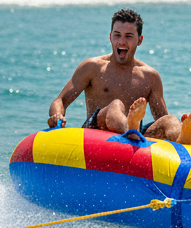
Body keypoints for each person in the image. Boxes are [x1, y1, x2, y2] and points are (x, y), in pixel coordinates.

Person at [47, 8, 181, 141]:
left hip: (135, 138)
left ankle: (183, 139)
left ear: (139, 41)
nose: (121, 41)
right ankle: (130, 128)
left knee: (171, 121)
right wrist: (57, 116)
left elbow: (161, 118)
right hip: (95, 133)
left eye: (128, 36)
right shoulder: (92, 67)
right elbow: (60, 101)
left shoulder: (150, 77)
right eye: (117, 35)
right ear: (110, 37)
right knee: (116, 105)